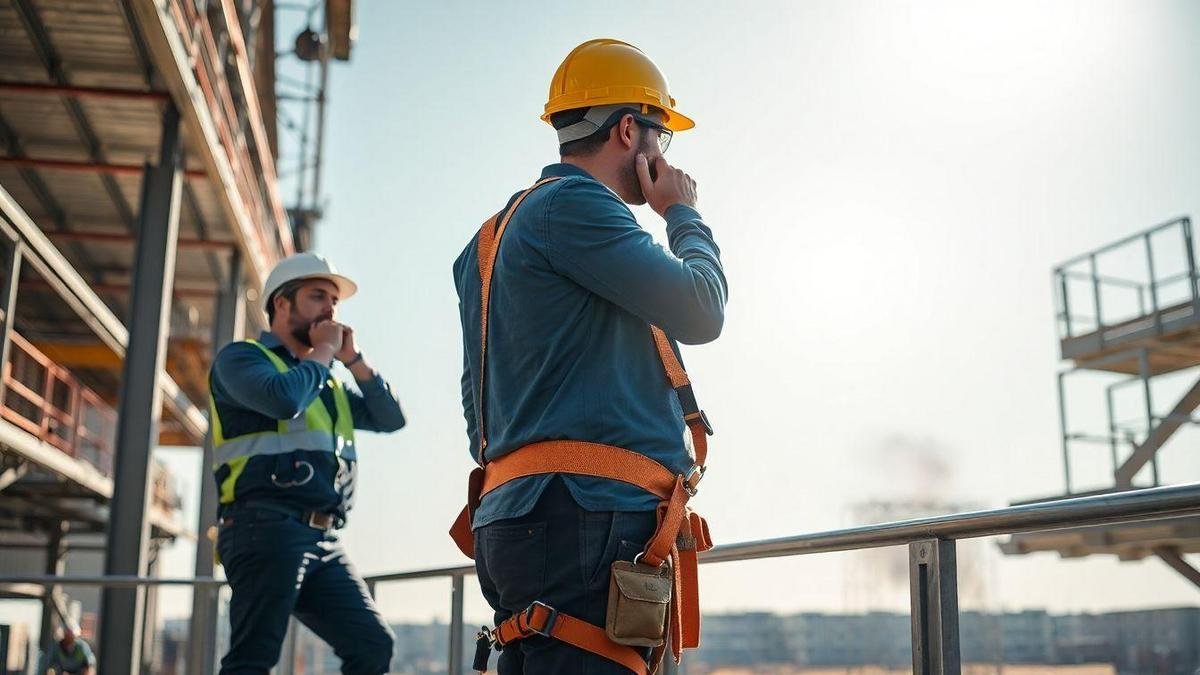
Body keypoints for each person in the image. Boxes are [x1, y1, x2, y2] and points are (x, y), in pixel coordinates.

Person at [452, 38, 727, 673]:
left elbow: (479, 407)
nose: (664, 155)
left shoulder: (486, 243)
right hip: (588, 516)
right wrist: (683, 214)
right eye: (660, 136)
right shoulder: (579, 207)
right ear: (630, 130)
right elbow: (702, 309)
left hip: (519, 514)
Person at [210, 252, 406, 674]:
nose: (330, 309)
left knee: (372, 646)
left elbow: (391, 419)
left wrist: (353, 362)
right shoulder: (242, 359)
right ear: (282, 304)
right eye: (318, 296)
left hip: (323, 537)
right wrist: (323, 354)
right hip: (264, 526)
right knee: (253, 660)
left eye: (334, 301)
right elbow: (283, 399)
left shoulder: (327, 380)